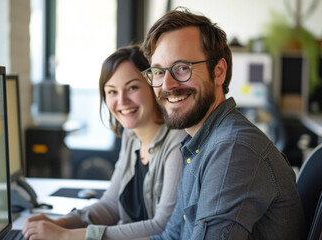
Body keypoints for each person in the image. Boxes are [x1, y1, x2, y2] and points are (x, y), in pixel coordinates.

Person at [139, 7, 307, 240]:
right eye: (158, 71)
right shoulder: (196, 144)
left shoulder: (234, 148)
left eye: (181, 68)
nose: (167, 84)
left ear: (218, 72)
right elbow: (170, 237)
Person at [22, 45, 186, 240]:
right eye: (112, 92)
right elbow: (111, 205)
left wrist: (66, 236)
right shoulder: (131, 136)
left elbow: (162, 226)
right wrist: (61, 223)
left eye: (132, 87)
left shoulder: (177, 141)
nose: (122, 100)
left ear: (153, 87)